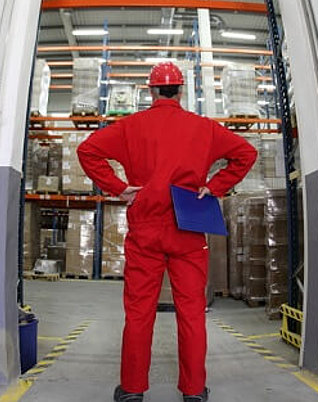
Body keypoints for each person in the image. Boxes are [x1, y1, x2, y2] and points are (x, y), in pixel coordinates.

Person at [77, 62, 257, 402]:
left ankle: (132, 389)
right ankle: (193, 391)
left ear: (151, 90)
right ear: (181, 90)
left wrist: (118, 187)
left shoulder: (130, 127)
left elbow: (87, 150)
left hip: (145, 230)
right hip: (188, 230)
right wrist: (214, 186)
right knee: (191, 312)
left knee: (139, 311)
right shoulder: (204, 128)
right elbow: (246, 153)